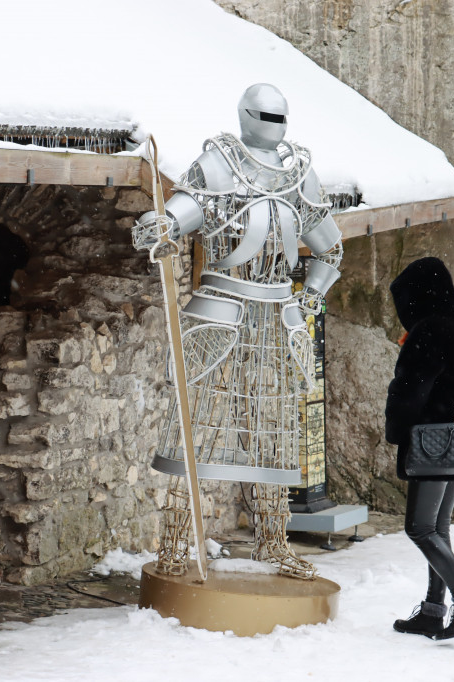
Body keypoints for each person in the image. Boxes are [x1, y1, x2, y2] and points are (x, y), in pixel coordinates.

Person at [132, 84, 343, 580]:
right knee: (197, 429)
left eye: (279, 116)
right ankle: (175, 544)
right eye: (265, 114)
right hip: (220, 307)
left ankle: (273, 541)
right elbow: (185, 212)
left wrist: (310, 295)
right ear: (246, 114)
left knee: (274, 434)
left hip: (277, 316)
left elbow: (329, 249)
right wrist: (161, 225)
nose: (273, 123)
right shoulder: (218, 164)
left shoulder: (298, 175)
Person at [385, 257, 454, 640]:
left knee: (419, 528)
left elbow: (411, 388)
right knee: (438, 529)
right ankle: (433, 610)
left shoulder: (429, 330)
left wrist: (397, 427)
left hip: (432, 441)